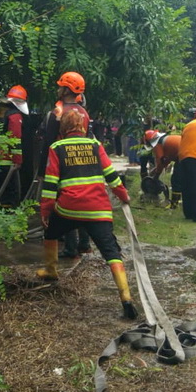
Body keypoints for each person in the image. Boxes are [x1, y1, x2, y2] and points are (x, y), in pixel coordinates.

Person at [36, 109, 137, 319]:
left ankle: (51, 271)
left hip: (67, 209)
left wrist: (45, 210)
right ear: (83, 126)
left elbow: (50, 183)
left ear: (63, 127)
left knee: (50, 232)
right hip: (98, 210)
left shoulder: (56, 147)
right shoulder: (96, 145)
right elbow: (111, 176)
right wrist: (123, 195)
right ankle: (126, 297)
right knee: (112, 253)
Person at [37, 71, 92, 257]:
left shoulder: (58, 113)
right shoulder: (84, 112)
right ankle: (84, 244)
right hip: (82, 162)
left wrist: (42, 170)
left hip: (61, 162)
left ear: (66, 89)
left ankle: (70, 248)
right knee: (82, 202)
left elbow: (49, 142)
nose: (58, 89)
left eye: (61, 86)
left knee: (65, 205)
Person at [143, 129, 183, 207]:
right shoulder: (166, 139)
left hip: (183, 155)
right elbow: (167, 158)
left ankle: (174, 203)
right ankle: (182, 201)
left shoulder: (158, 144)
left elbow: (160, 160)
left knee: (176, 180)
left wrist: (156, 175)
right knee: (184, 180)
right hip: (189, 153)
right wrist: (156, 169)